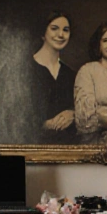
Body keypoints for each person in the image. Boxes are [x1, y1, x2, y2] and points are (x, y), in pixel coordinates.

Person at [30, 11, 78, 143]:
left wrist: (73, 114)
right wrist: (45, 125)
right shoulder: (26, 69)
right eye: (54, 29)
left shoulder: (70, 74)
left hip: (66, 147)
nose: (61, 35)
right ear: (43, 33)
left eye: (66, 30)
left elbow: (81, 108)